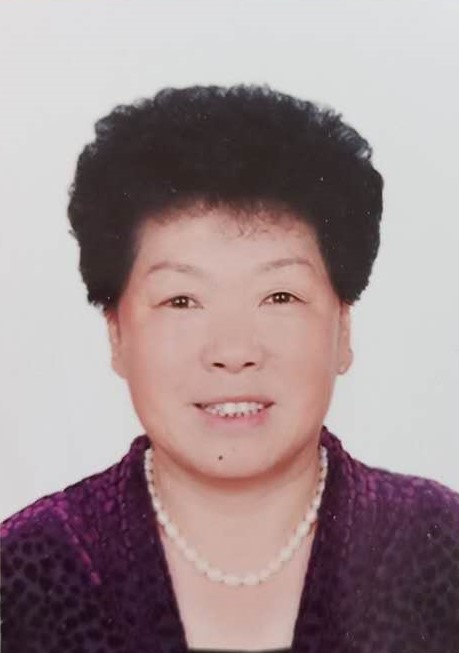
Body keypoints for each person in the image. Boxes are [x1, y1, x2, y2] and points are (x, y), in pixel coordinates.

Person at [1, 84, 458, 653]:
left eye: (280, 296)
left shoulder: (440, 548)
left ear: (343, 328)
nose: (234, 350)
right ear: (116, 333)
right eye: (182, 300)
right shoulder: (26, 571)